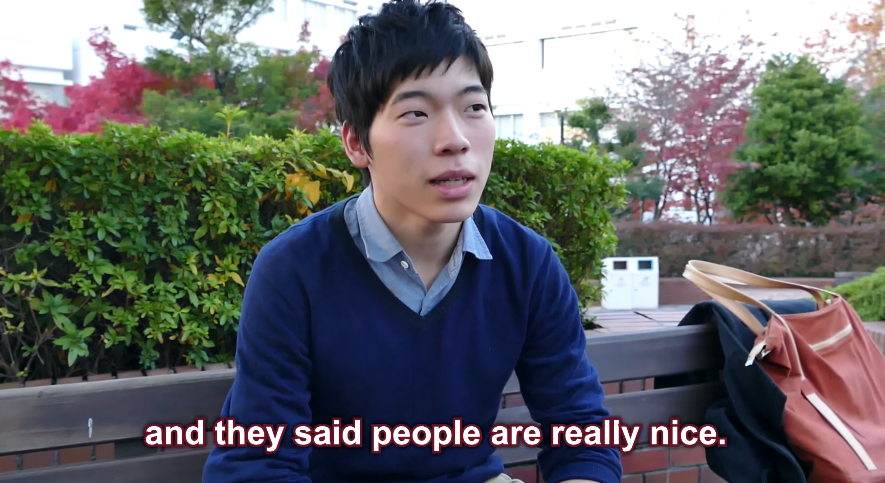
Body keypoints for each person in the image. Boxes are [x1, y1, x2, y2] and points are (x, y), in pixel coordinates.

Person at [201, 1, 622, 482]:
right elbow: (257, 464)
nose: (455, 139)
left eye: (474, 108)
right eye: (416, 113)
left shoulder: (527, 262)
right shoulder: (294, 270)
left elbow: (581, 431)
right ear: (357, 143)